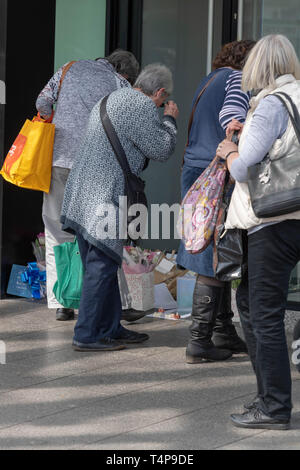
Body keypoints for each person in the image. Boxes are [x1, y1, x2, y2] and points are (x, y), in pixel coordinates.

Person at [60, 64, 179, 352]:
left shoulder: (111, 97)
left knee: (102, 260)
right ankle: (87, 334)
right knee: (101, 264)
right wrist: (170, 121)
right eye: (163, 100)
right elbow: (161, 148)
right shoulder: (139, 104)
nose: (163, 104)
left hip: (83, 190)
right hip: (104, 193)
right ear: (159, 92)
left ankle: (110, 327)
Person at [216, 34, 300, 430]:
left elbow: (242, 167)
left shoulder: (270, 105)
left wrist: (228, 149)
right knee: (251, 303)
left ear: (258, 67)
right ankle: (268, 397)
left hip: (273, 219)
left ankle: (274, 406)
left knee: (261, 312)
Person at [36, 50, 140, 321]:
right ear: (124, 71)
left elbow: (42, 102)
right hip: (95, 166)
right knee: (103, 231)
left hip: (58, 160)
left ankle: (62, 302)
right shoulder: (120, 83)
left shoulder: (68, 69)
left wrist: (60, 125)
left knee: (57, 231)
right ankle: (119, 303)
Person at [177, 40, 255, 364]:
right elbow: (233, 120)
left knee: (212, 252)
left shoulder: (208, 79)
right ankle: (199, 341)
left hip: (195, 170)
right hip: (216, 173)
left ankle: (223, 330)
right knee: (214, 255)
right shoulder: (236, 79)